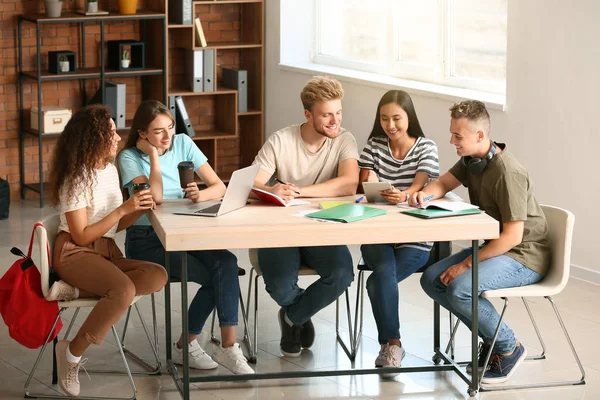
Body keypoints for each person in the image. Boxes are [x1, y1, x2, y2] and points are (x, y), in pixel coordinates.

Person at [415, 100, 551, 383]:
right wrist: (425, 195)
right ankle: (491, 340)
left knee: (460, 288)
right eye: (452, 133)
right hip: (498, 249)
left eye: (458, 136)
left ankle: (507, 347)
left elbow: (513, 236)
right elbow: (443, 182)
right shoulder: (472, 160)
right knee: (432, 279)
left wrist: (465, 265)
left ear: (480, 136)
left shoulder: (506, 172)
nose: (452, 140)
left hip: (524, 255)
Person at [117, 100, 254, 375]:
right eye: (158, 132)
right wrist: (155, 157)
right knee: (217, 275)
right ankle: (185, 346)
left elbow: (219, 186)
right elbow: (154, 198)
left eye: (170, 127)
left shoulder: (182, 142)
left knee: (226, 263)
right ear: (142, 134)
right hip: (146, 240)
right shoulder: (129, 157)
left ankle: (227, 346)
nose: (168, 137)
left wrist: (198, 195)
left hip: (183, 229)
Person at [46, 104, 168, 397]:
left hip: (105, 250)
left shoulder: (110, 171)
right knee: (124, 290)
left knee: (157, 275)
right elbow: (81, 234)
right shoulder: (75, 178)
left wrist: (137, 210)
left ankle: (75, 290)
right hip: (75, 252)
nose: (117, 138)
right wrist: (122, 210)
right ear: (93, 139)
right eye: (110, 133)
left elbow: (115, 226)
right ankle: (72, 353)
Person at [252, 76, 358, 357]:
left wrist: (299, 192)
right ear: (308, 114)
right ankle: (300, 311)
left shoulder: (344, 139)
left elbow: (349, 183)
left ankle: (291, 318)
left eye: (338, 113)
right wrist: (272, 187)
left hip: (322, 227)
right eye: (326, 115)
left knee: (342, 274)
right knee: (281, 288)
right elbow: (253, 183)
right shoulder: (281, 140)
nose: (335, 121)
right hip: (281, 229)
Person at [358, 90, 439, 373]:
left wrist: (404, 195)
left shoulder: (426, 147)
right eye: (384, 119)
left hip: (415, 237)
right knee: (382, 276)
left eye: (396, 118)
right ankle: (394, 343)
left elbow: (420, 185)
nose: (390, 125)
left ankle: (389, 346)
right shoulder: (374, 145)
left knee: (376, 281)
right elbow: (365, 182)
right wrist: (372, 180)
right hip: (377, 233)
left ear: (409, 117)